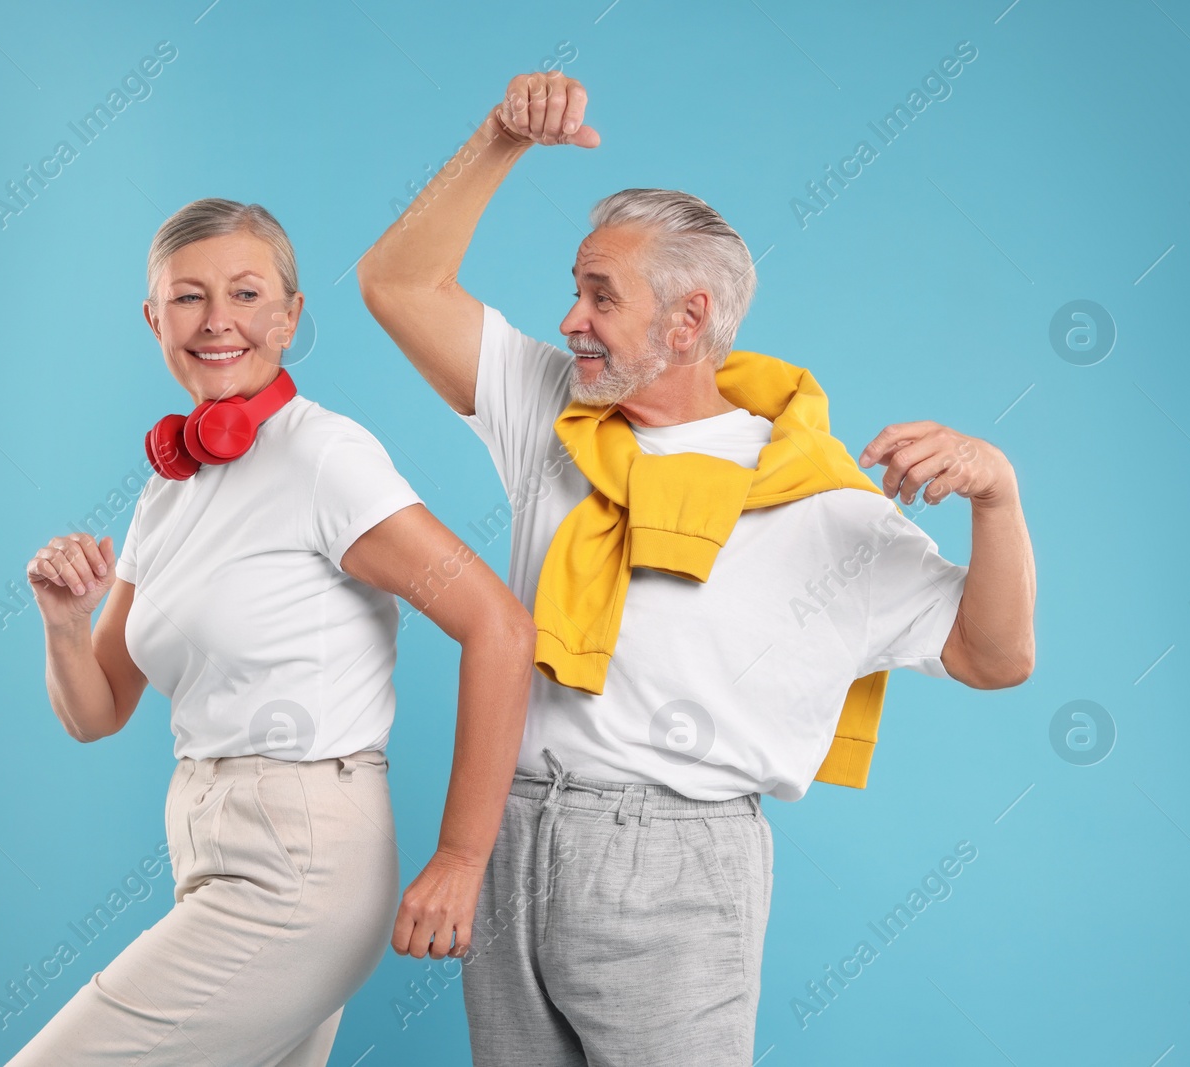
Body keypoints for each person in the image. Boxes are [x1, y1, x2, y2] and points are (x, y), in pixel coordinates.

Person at [356, 72, 1037, 1065]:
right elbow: (398, 285)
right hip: (511, 831)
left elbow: (992, 653)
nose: (571, 319)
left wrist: (999, 499)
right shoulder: (559, 411)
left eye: (600, 294)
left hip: (673, 856)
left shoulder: (814, 494)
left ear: (688, 320)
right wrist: (500, 136)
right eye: (575, 288)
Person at [9, 198, 537, 1066]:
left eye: (247, 294)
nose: (218, 320)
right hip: (209, 841)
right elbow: (97, 711)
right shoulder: (165, 493)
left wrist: (460, 855)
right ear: (153, 319)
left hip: (302, 858)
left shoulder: (323, 457)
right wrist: (65, 626)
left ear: (289, 317)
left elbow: (499, 627)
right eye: (188, 298)